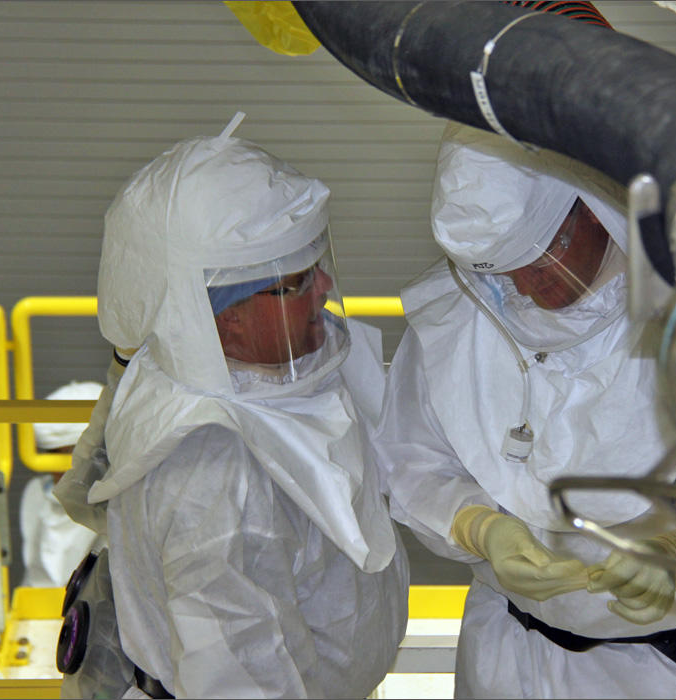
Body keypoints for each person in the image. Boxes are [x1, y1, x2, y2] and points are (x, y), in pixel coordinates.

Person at [373, 122, 676, 699]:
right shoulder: (457, 319)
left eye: (545, 254)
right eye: (499, 270)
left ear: (593, 206)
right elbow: (414, 460)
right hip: (510, 654)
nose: (525, 285)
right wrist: (477, 525)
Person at [54, 116, 409, 699]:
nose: (323, 289)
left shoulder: (273, 375)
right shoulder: (212, 472)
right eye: (295, 283)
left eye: (319, 265)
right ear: (221, 315)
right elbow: (240, 683)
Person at [19, 380, 103, 589]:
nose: (55, 466)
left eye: (67, 453)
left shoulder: (115, 502)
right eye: (52, 454)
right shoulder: (37, 493)